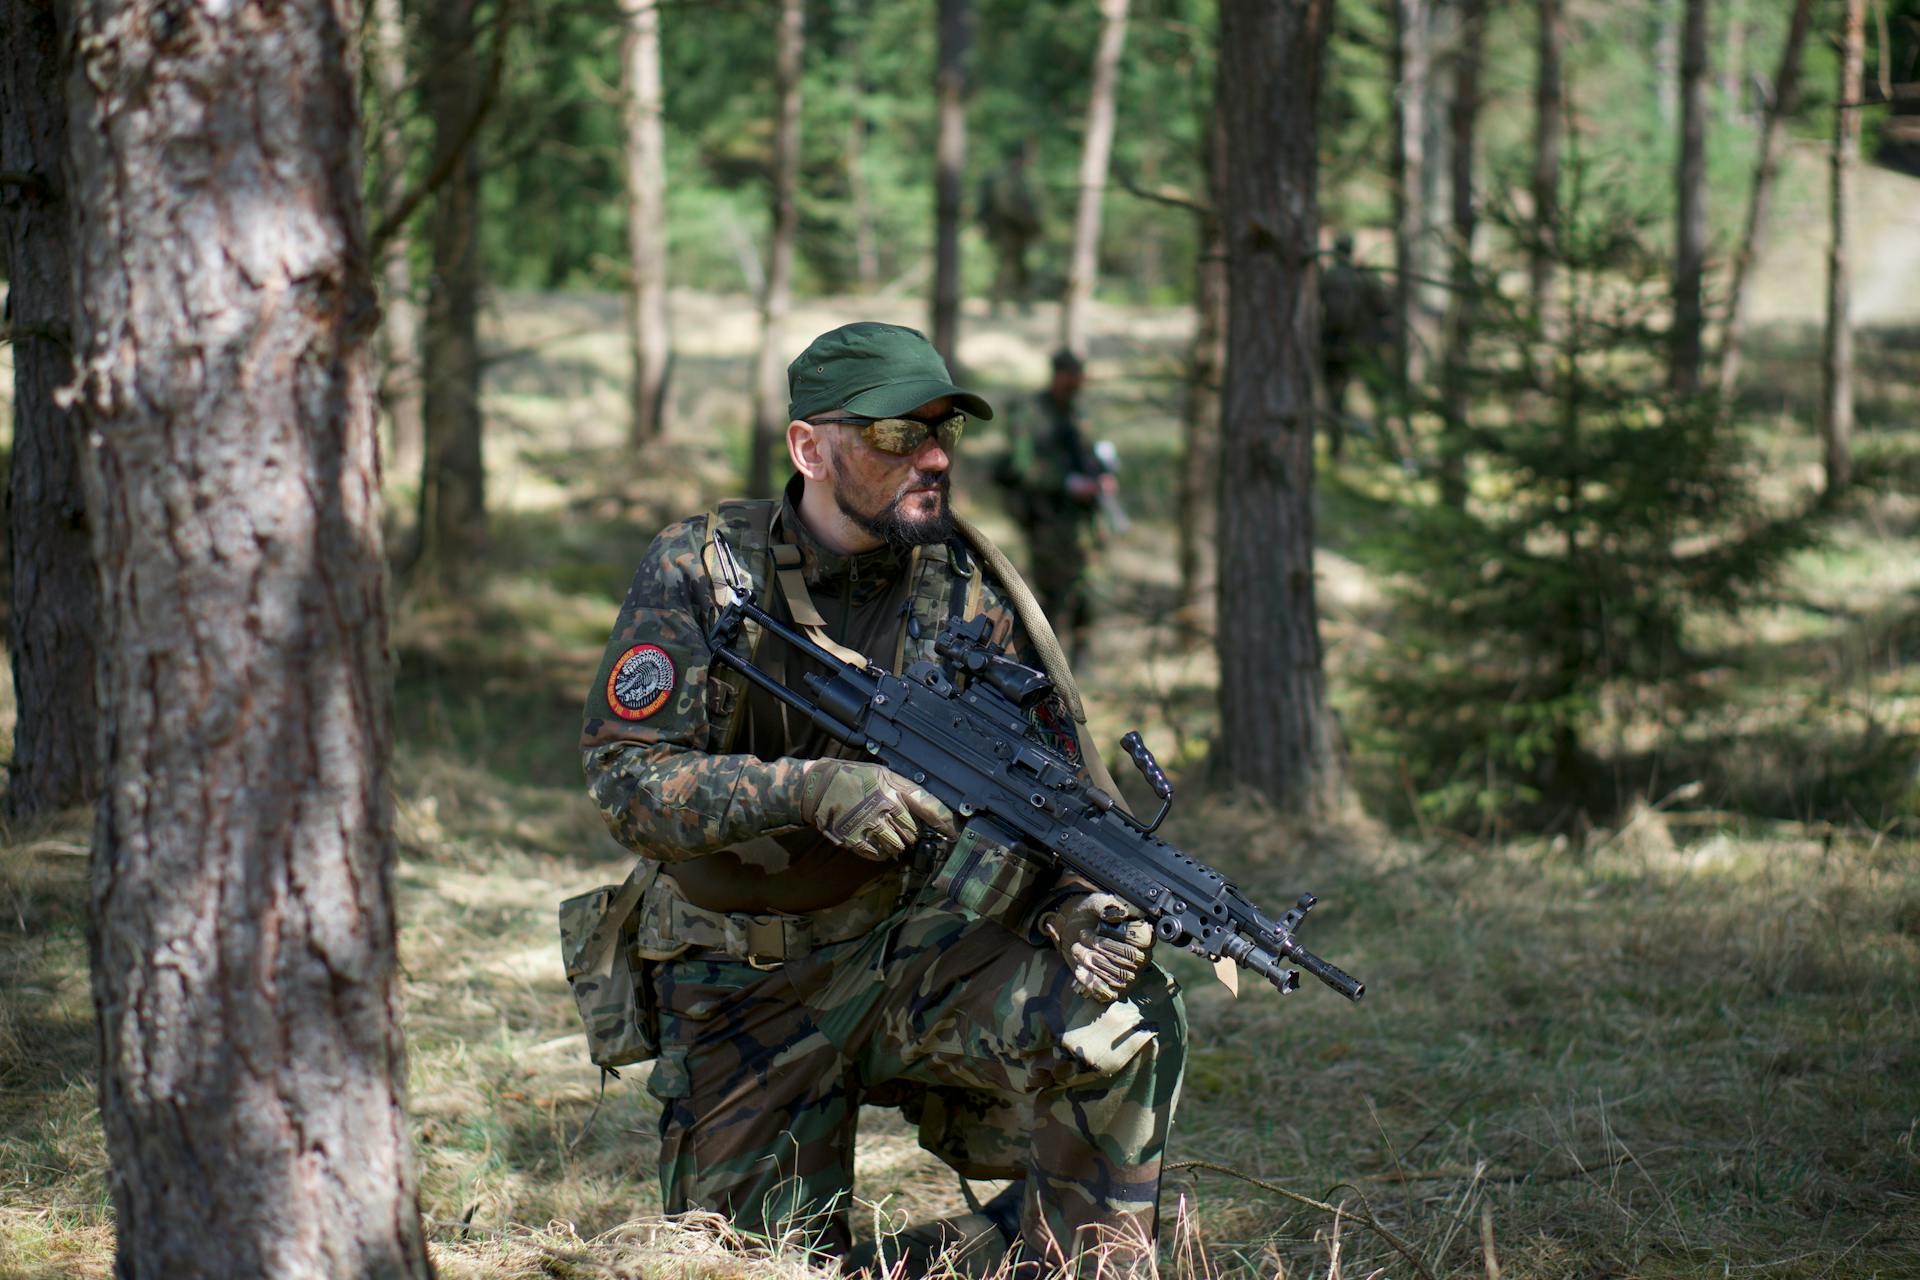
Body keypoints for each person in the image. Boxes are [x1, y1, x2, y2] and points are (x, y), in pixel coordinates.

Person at [580, 322, 1185, 1276]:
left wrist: (1076, 904)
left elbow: (1044, 796)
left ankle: (1087, 1261)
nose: (935, 456)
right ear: (810, 449)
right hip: (743, 982)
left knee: (1121, 1016)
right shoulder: (703, 568)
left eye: (944, 430)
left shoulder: (970, 592)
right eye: (900, 435)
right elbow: (629, 781)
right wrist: (814, 790)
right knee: (764, 1261)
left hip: (907, 954)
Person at [991, 349, 1111, 667]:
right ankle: (1049, 666)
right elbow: (1022, 467)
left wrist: (1100, 477)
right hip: (1047, 519)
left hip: (1083, 520)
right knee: (1054, 595)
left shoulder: (1078, 414)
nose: (1076, 385)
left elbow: (1091, 456)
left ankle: (1082, 662)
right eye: (1071, 378)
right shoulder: (1030, 413)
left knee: (1089, 590)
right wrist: (1067, 483)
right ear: (1058, 375)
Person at [1318, 232, 1396, 458]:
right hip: (1362, 346)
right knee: (1378, 395)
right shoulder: (1365, 278)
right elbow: (1384, 309)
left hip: (1333, 346)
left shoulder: (1327, 278)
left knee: (1335, 399)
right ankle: (1387, 443)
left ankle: (1336, 449)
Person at [978, 144, 1045, 315]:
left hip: (1017, 230)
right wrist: (1027, 222)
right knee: (1007, 266)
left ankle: (1020, 304)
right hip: (1007, 230)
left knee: (1019, 268)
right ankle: (996, 305)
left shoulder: (1020, 177)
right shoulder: (1006, 177)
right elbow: (1004, 206)